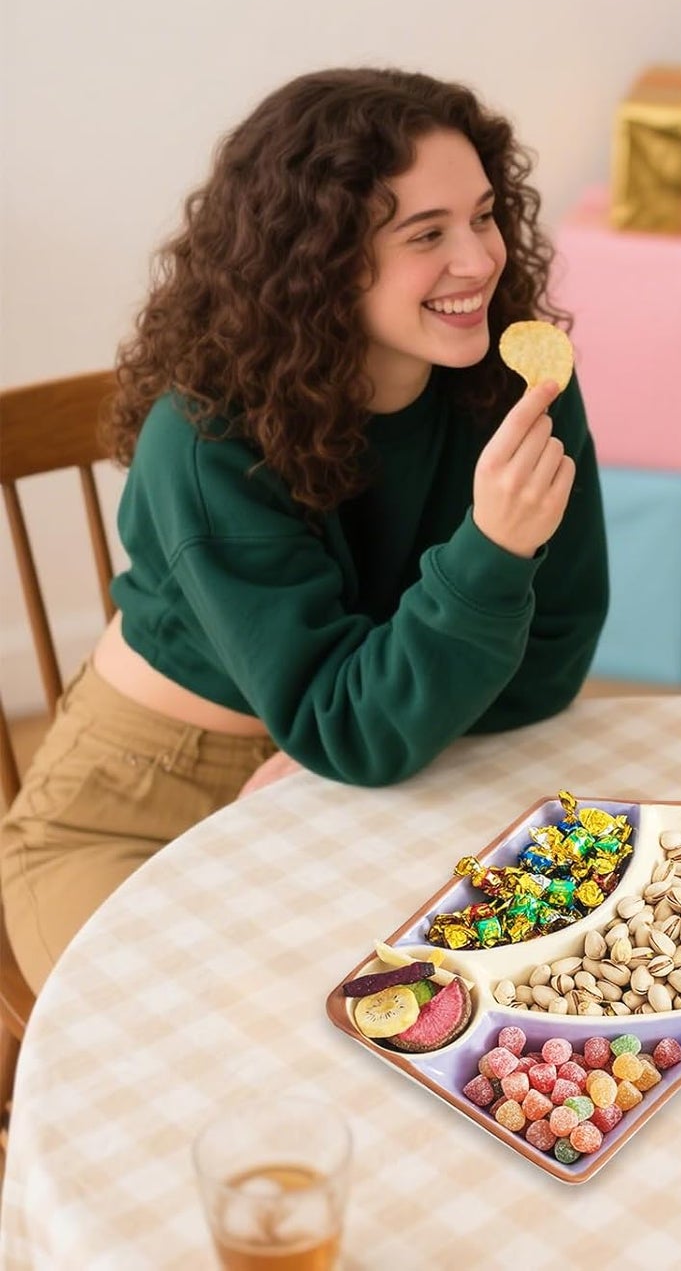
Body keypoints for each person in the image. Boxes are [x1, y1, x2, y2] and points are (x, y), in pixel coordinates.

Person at [1, 67, 608, 994]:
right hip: (143, 800)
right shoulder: (208, 441)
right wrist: (489, 556)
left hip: (379, 763)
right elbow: (356, 727)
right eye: (426, 235)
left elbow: (552, 658)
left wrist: (341, 752)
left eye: (484, 217)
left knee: (468, 1009)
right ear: (320, 256)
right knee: (196, 1039)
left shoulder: (518, 390)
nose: (480, 260)